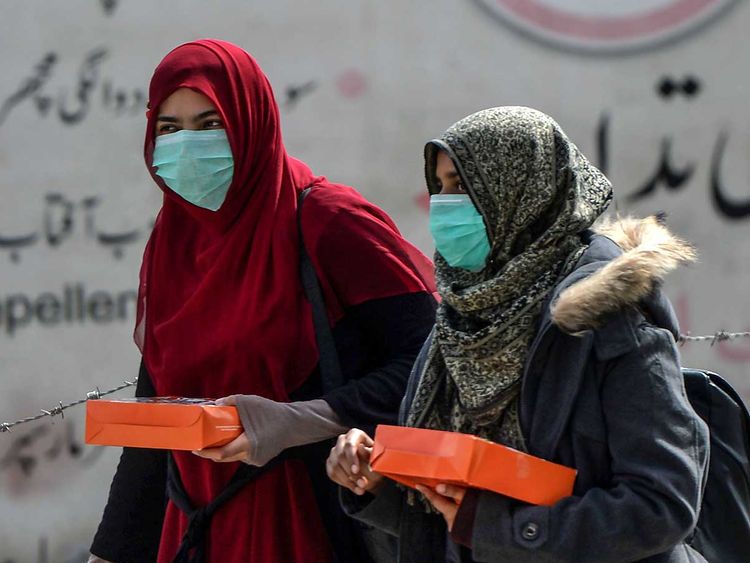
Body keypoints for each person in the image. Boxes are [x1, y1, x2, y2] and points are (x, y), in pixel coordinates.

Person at [88, 39, 437, 563]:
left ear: (252, 119)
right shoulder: (174, 243)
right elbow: (154, 431)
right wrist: (110, 554)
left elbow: (430, 362)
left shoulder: (329, 221)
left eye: (211, 124)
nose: (188, 144)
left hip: (315, 520)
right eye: (169, 128)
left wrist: (302, 418)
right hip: (194, 530)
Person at [327, 106, 710, 562]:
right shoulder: (459, 321)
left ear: (518, 190)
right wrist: (377, 484)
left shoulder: (609, 321)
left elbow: (661, 506)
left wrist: (502, 529)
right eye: (441, 186)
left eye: (464, 186)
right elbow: (452, 522)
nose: (444, 204)